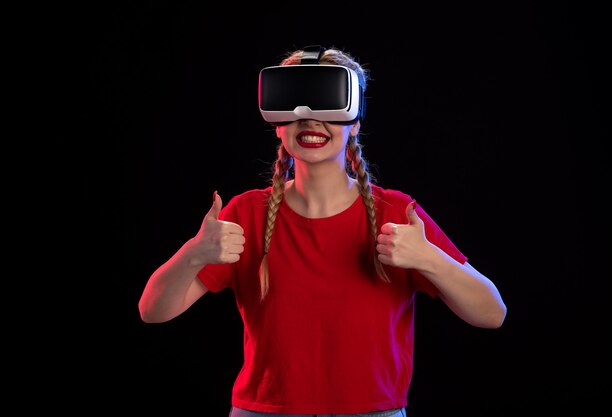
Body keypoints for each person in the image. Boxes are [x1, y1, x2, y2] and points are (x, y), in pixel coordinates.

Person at [138, 45, 507, 417]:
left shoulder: (396, 214)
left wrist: (429, 259)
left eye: (328, 106)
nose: (311, 121)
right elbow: (152, 310)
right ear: (278, 123)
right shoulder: (246, 213)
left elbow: (491, 313)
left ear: (355, 123)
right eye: (296, 105)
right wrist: (195, 253)